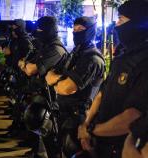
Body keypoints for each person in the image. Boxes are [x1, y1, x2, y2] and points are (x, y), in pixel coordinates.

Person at [78, 0, 148, 158]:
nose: (117, 25)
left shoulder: (144, 62)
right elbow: (102, 93)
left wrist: (91, 130)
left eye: (122, 20)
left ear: (138, 23)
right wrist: (87, 125)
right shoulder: (122, 57)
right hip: (100, 142)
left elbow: (132, 116)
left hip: (123, 147)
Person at [45, 16, 105, 157]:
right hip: (64, 113)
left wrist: (57, 82)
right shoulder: (74, 54)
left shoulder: (92, 59)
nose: (76, 32)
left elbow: (67, 88)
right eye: (74, 29)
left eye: (81, 30)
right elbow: (49, 75)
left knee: (73, 151)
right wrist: (59, 80)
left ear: (91, 31)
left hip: (80, 117)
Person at [20, 16, 68, 158]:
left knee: (51, 136)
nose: (38, 33)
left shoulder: (56, 49)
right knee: (41, 131)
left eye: (41, 30)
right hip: (42, 95)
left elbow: (30, 69)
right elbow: (28, 65)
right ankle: (38, 153)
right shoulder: (46, 46)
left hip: (52, 99)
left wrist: (25, 66)